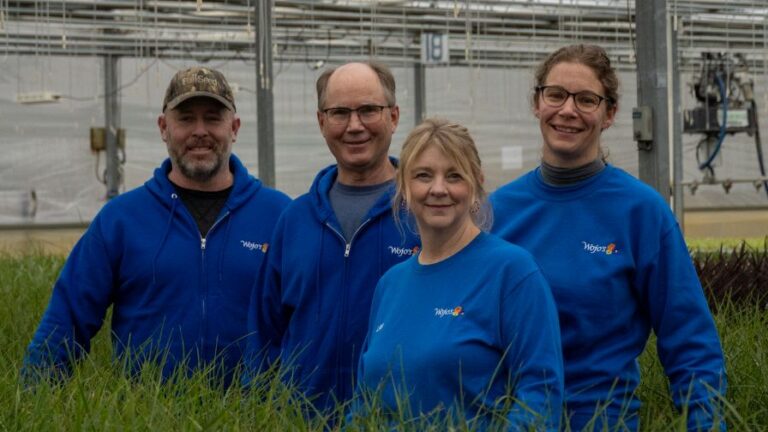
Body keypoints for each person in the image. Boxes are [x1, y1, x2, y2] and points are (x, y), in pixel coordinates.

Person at [490, 44, 727, 431]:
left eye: (586, 99)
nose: (568, 110)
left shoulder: (641, 212)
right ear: (538, 103)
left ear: (610, 113)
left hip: (600, 418)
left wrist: (707, 423)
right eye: (556, 95)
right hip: (510, 418)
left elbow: (689, 340)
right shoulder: (497, 211)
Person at [22, 67, 291, 384]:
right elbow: (66, 318)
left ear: (234, 127)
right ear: (164, 127)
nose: (200, 131)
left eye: (213, 118)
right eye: (186, 118)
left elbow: (309, 322)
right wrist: (33, 398)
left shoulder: (280, 216)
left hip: (255, 415)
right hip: (147, 413)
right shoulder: (121, 219)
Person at [354, 118, 564, 430]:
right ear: (404, 188)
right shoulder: (390, 284)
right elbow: (363, 404)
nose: (438, 189)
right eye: (423, 176)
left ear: (476, 185)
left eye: (454, 176)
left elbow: (540, 395)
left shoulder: (512, 272)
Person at [245, 61, 420, 411]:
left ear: (394, 117)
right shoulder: (294, 220)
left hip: (398, 417)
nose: (354, 126)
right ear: (322, 122)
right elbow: (265, 334)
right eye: (339, 112)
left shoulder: (422, 214)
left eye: (369, 110)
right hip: (300, 419)